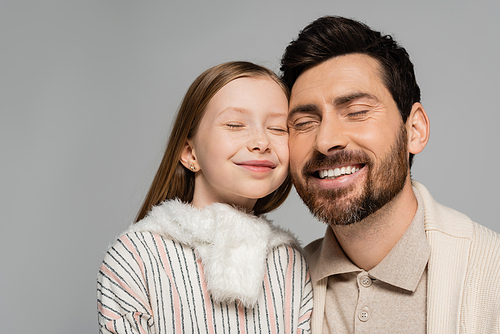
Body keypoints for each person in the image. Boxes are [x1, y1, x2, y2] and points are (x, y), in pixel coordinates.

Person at [280, 16, 500, 333]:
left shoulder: (491, 272)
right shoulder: (279, 286)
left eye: (356, 112)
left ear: (415, 130)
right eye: (303, 123)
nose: (326, 141)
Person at [97, 61, 313, 333]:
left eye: (279, 128)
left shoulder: (291, 261)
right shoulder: (136, 255)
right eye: (235, 125)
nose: (261, 142)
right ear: (190, 153)